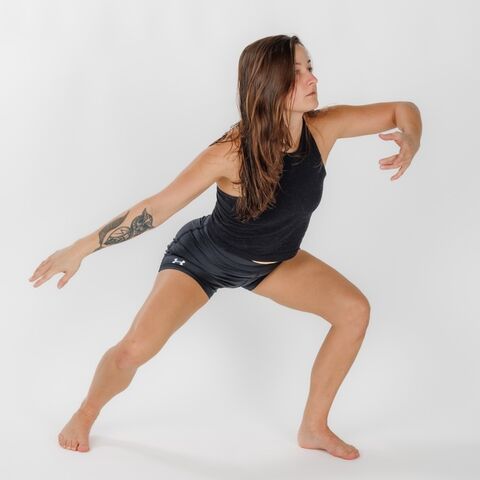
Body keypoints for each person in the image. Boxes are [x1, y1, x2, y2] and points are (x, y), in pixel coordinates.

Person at [28, 34, 422, 460]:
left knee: (353, 311)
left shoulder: (324, 127)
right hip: (203, 258)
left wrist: (412, 139)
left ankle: (313, 428)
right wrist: (81, 248)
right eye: (296, 73)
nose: (312, 78)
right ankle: (86, 412)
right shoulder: (231, 152)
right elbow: (156, 209)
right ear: (268, 85)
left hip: (273, 263)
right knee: (134, 350)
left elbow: (403, 109)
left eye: (310, 67)